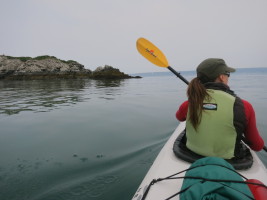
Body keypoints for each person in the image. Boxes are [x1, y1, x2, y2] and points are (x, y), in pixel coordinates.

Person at [176, 58, 264, 159]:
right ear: (222, 77)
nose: (228, 77)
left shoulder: (189, 103)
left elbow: (179, 117)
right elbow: (257, 146)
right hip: (229, 161)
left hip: (191, 155)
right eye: (228, 74)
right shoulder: (244, 106)